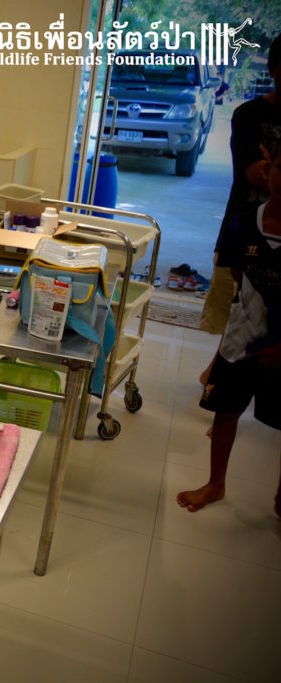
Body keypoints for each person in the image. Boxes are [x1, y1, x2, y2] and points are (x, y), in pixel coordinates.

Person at [177, 148, 281, 516]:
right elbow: (238, 276)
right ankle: (216, 483)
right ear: (268, 171)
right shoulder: (243, 225)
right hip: (242, 339)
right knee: (226, 412)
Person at [200, 34, 281, 340]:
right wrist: (267, 170)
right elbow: (257, 175)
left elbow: (266, 172)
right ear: (272, 68)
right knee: (232, 321)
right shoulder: (249, 115)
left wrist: (269, 162)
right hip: (244, 231)